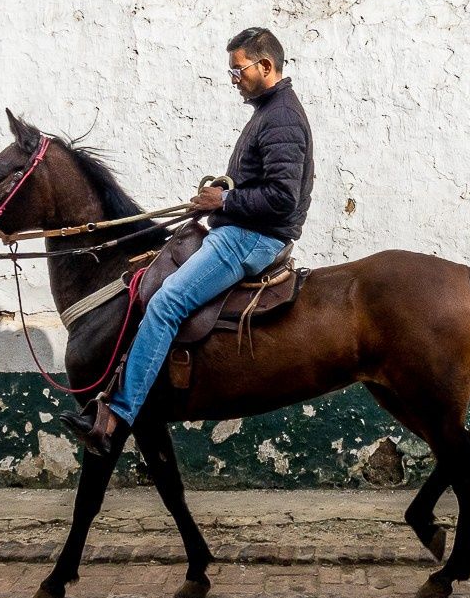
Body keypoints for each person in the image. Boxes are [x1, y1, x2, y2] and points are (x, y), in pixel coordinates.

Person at [66, 27, 314, 455]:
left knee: (167, 302)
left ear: (266, 65)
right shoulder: (269, 111)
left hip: (254, 239)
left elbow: (282, 196)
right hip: (239, 229)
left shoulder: (282, 118)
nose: (233, 79)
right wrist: (220, 198)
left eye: (238, 70)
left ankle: (115, 418)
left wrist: (225, 200)